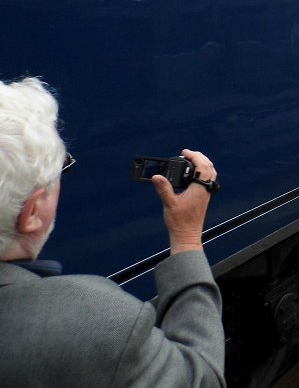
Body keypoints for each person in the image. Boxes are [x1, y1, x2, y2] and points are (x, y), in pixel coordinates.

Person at [0, 77, 225, 387]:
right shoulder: (93, 319)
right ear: (33, 211)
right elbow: (203, 381)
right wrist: (186, 238)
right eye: (60, 168)